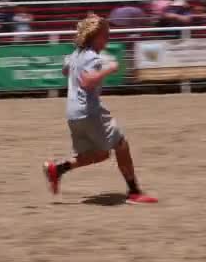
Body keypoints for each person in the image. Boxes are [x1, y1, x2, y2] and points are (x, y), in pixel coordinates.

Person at [42, 15, 157, 204]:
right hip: (90, 111)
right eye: (105, 35)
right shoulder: (93, 57)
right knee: (121, 144)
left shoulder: (75, 54)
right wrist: (109, 68)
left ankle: (58, 169)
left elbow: (65, 70)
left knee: (100, 154)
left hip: (73, 114)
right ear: (95, 36)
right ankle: (134, 192)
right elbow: (87, 81)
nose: (108, 39)